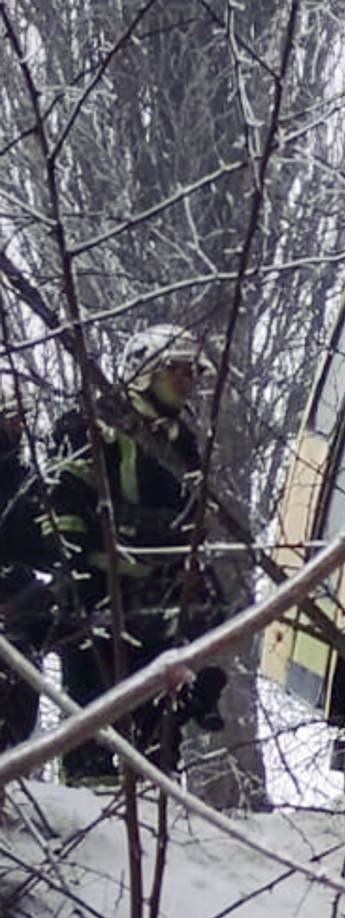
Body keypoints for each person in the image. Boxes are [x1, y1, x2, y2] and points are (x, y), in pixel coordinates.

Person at [46, 326, 227, 779]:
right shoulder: (91, 425)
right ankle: (87, 823)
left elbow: (189, 517)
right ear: (143, 372)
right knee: (91, 721)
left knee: (157, 738)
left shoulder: (182, 440)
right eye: (175, 371)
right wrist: (79, 578)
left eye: (191, 372)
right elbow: (61, 507)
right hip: (99, 598)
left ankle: (154, 819)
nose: (186, 381)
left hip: (158, 600)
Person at [0, 389, 53, 752]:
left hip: (19, 598)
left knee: (22, 673)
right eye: (9, 419)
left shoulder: (23, 478)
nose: (18, 427)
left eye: (21, 419)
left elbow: (42, 545)